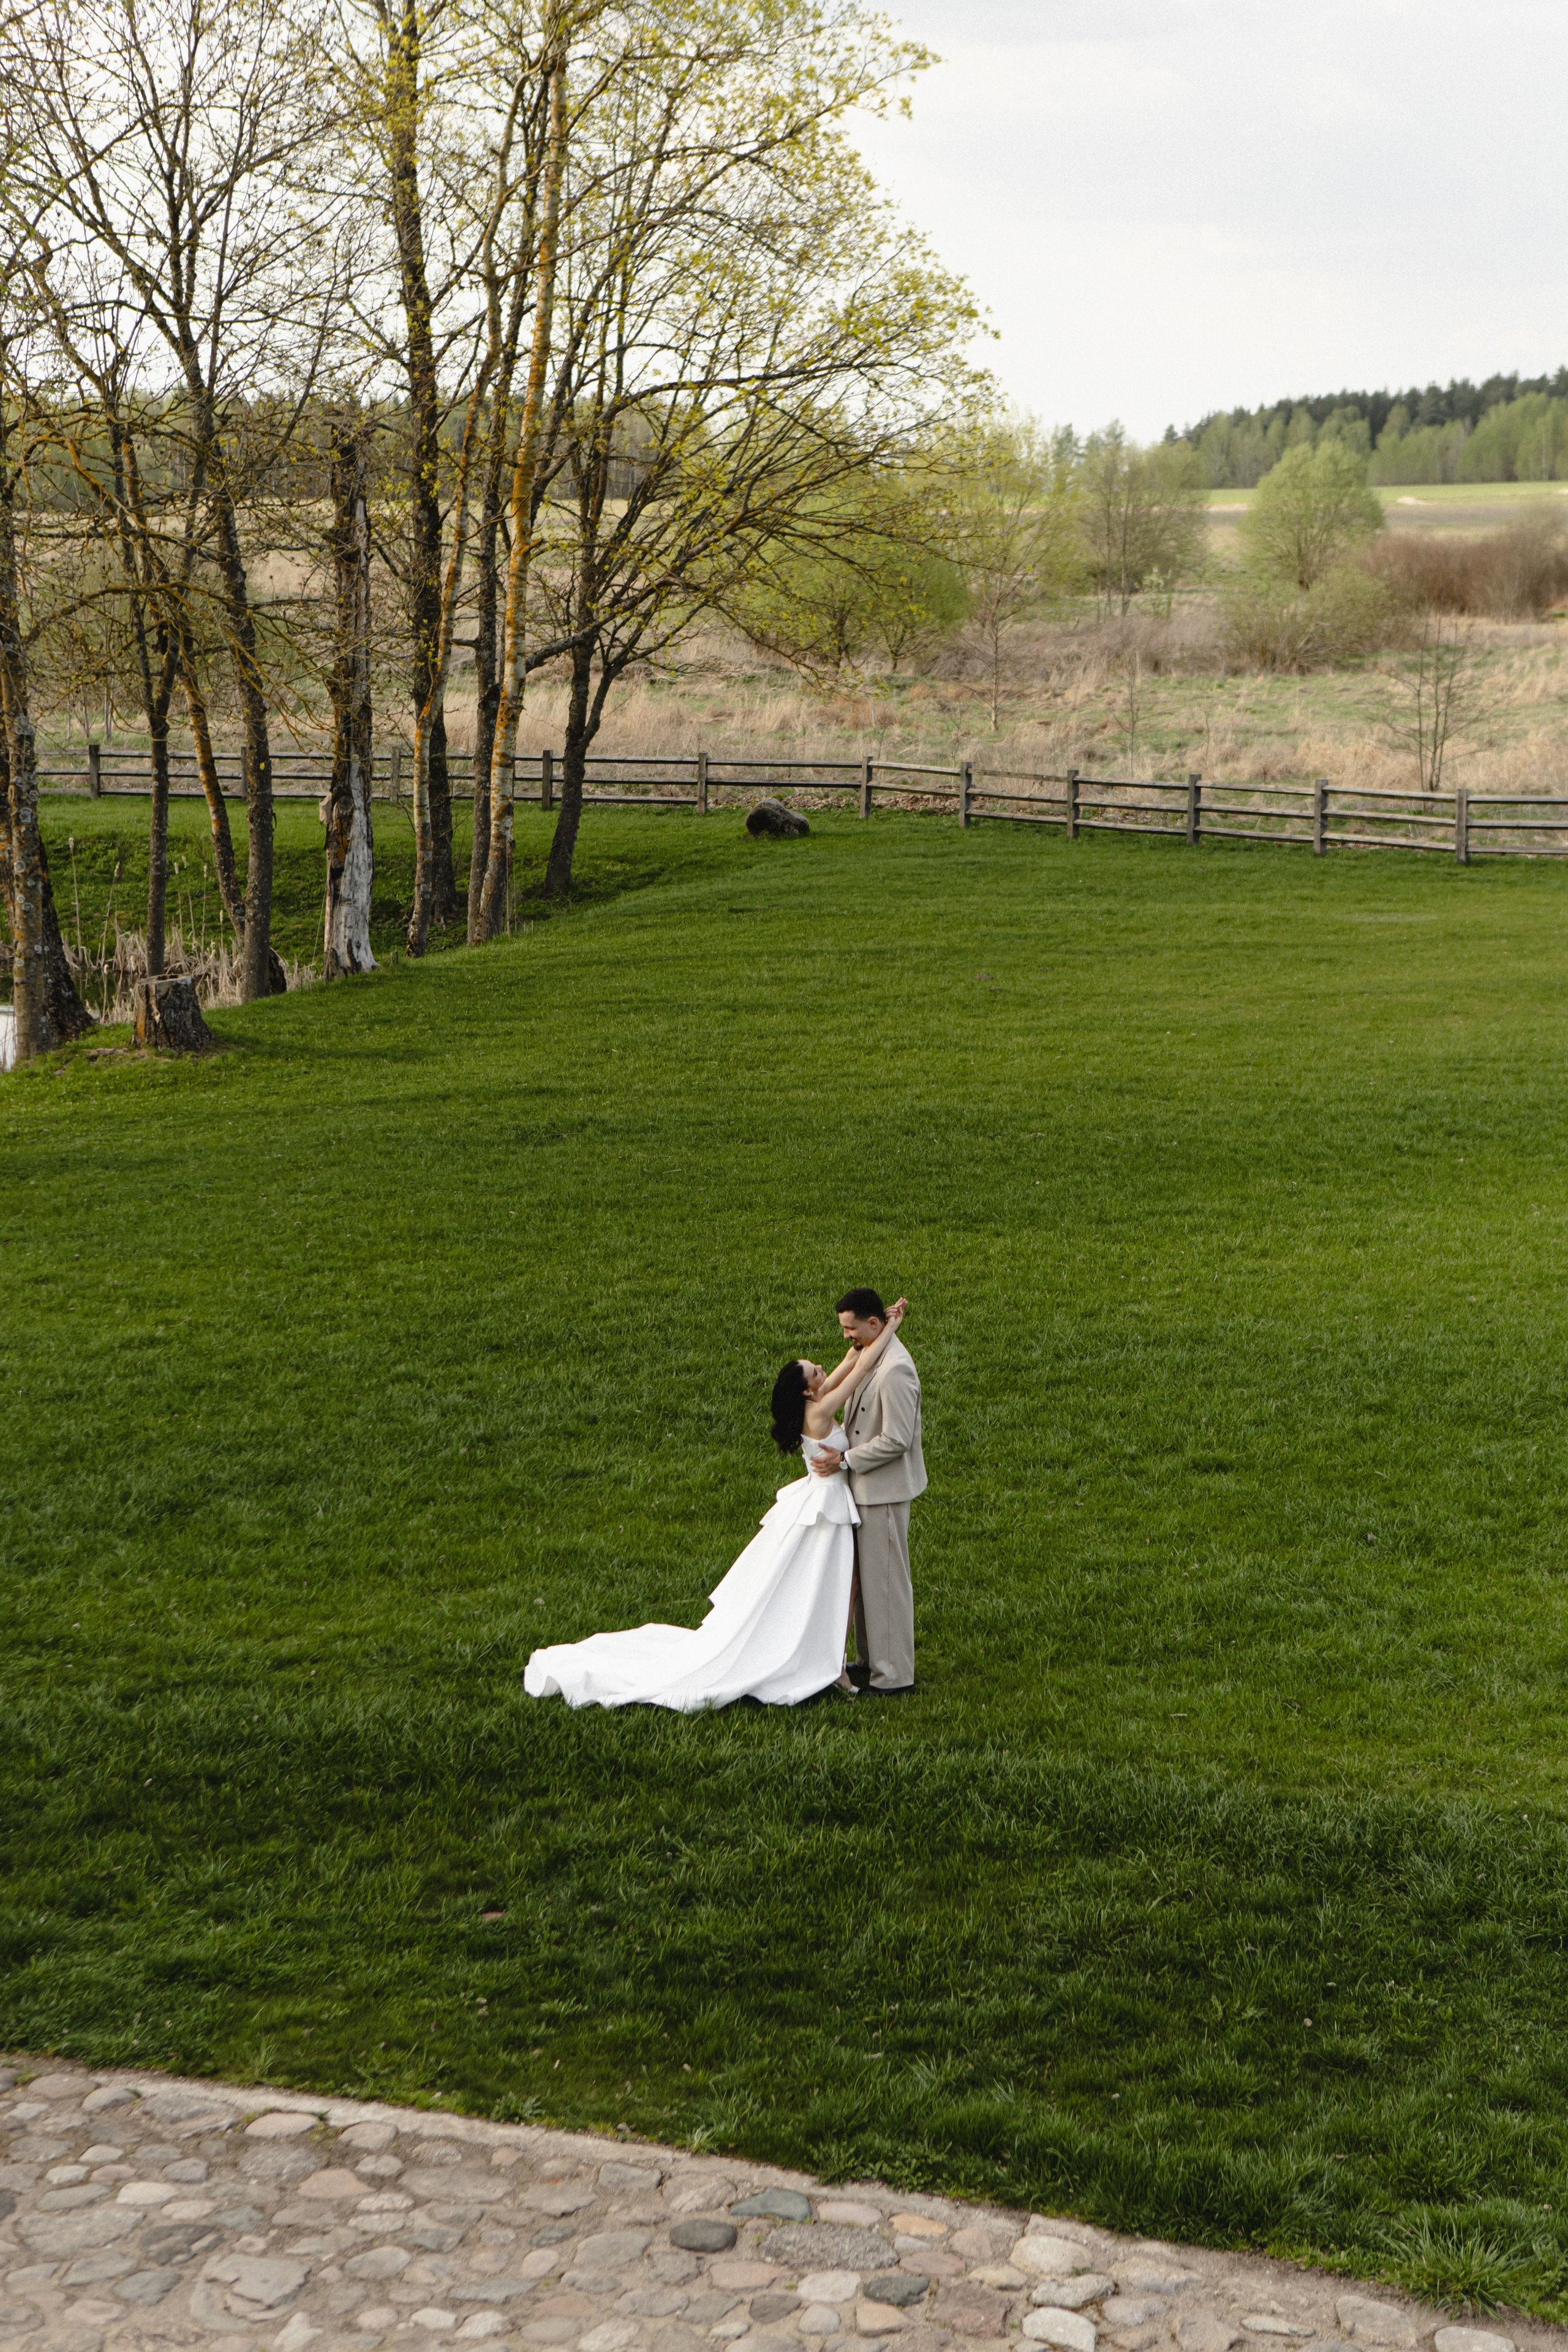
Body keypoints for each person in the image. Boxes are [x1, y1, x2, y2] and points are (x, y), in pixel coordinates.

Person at [524, 1302, 909, 1712]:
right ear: (808, 1389)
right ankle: (833, 1666)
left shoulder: (813, 1399)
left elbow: (852, 1359)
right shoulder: (819, 1409)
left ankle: (832, 1661)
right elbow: (862, 1370)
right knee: (837, 1585)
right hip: (827, 1507)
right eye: (815, 1370)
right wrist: (893, 1328)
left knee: (836, 1585)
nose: (822, 1370)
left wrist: (876, 1325)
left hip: (825, 1501)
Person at [810, 1287, 925, 1695]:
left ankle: (893, 1677)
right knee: (864, 1582)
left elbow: (897, 1440)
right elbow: (853, 1370)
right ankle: (870, 1659)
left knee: (886, 1582)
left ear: (872, 1324)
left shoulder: (896, 1370)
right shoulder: (871, 1353)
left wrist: (845, 1461)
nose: (846, 1337)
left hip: (885, 1492)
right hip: (862, 1490)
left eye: (851, 1328)